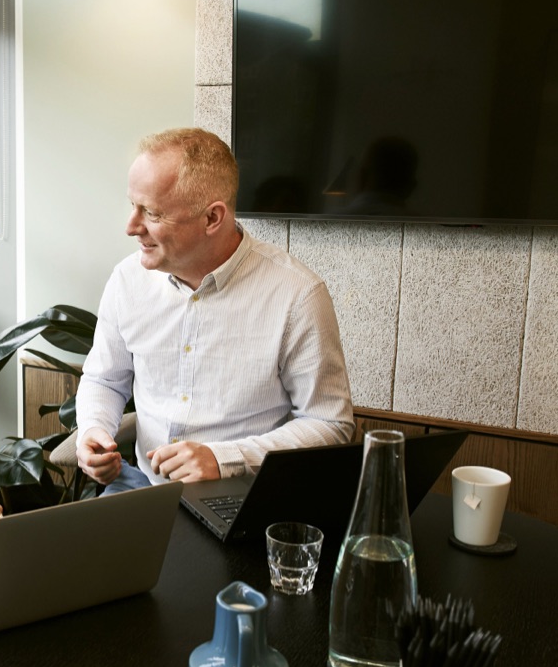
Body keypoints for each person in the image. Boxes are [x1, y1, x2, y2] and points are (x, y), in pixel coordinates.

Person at [75, 128, 354, 493]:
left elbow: (329, 423)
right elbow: (104, 379)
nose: (131, 227)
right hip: (140, 486)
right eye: (133, 205)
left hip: (243, 494)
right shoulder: (127, 280)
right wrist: (95, 429)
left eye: (152, 213)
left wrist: (225, 458)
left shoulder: (297, 295)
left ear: (212, 218)